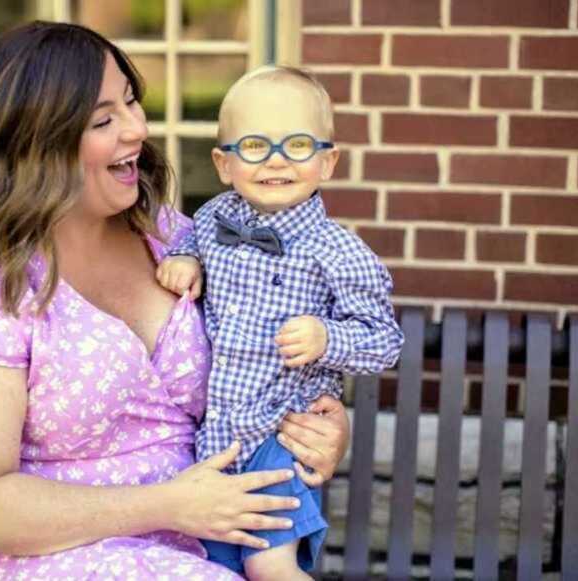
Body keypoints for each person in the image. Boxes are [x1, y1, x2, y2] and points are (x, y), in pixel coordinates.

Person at [0, 22, 352, 579]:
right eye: (103, 120)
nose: (137, 129)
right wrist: (168, 504)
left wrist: (319, 427)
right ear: (35, 145)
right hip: (28, 555)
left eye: (132, 102)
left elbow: (267, 353)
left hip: (202, 540)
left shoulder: (173, 237)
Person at [156, 66, 404, 580]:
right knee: (220, 563)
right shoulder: (211, 219)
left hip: (282, 430)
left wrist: (328, 337)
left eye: (296, 144)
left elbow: (384, 342)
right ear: (223, 164)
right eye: (254, 146)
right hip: (217, 437)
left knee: (270, 566)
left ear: (328, 161)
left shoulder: (340, 253)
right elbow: (188, 242)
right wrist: (185, 260)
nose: (275, 160)